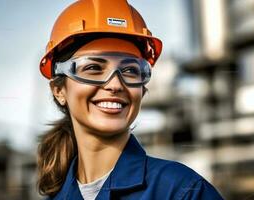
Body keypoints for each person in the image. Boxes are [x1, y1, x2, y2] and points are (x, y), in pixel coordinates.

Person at [37, 0, 224, 199]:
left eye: (130, 70)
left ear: (142, 90)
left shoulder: (182, 192)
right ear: (59, 90)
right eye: (93, 68)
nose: (116, 84)